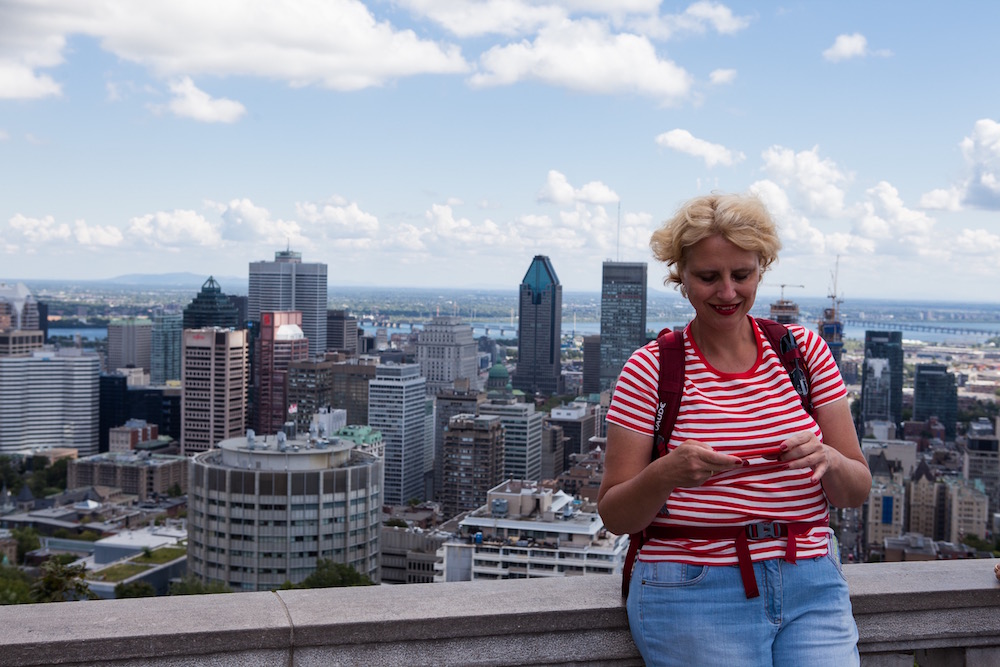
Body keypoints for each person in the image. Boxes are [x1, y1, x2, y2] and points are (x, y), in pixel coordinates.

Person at [598, 193, 871, 667]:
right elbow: (616, 515)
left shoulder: (803, 353)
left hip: (811, 581)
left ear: (761, 270)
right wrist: (667, 473)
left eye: (741, 275)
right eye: (708, 277)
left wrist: (828, 459)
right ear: (680, 277)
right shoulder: (650, 369)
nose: (727, 292)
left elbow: (856, 490)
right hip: (692, 588)